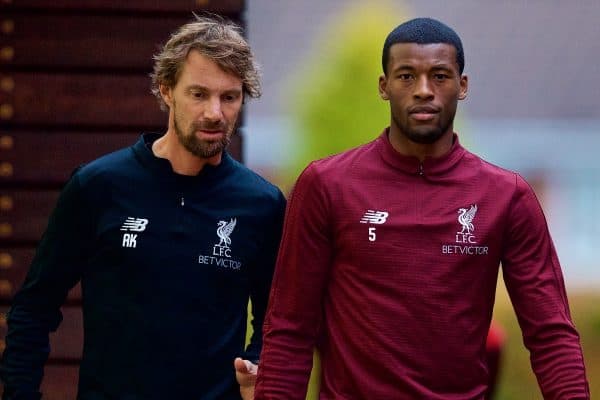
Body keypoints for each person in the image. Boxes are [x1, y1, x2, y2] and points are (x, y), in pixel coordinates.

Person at [255, 17, 589, 399]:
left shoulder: (506, 196)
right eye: (407, 76)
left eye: (440, 76)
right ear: (384, 86)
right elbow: (289, 330)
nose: (424, 90)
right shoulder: (326, 185)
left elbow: (551, 334)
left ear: (462, 86)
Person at [0, 14, 286, 400]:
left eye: (229, 97)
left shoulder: (262, 205)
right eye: (198, 94)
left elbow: (277, 322)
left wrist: (255, 369)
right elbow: (33, 310)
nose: (214, 113)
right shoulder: (98, 186)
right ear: (167, 90)